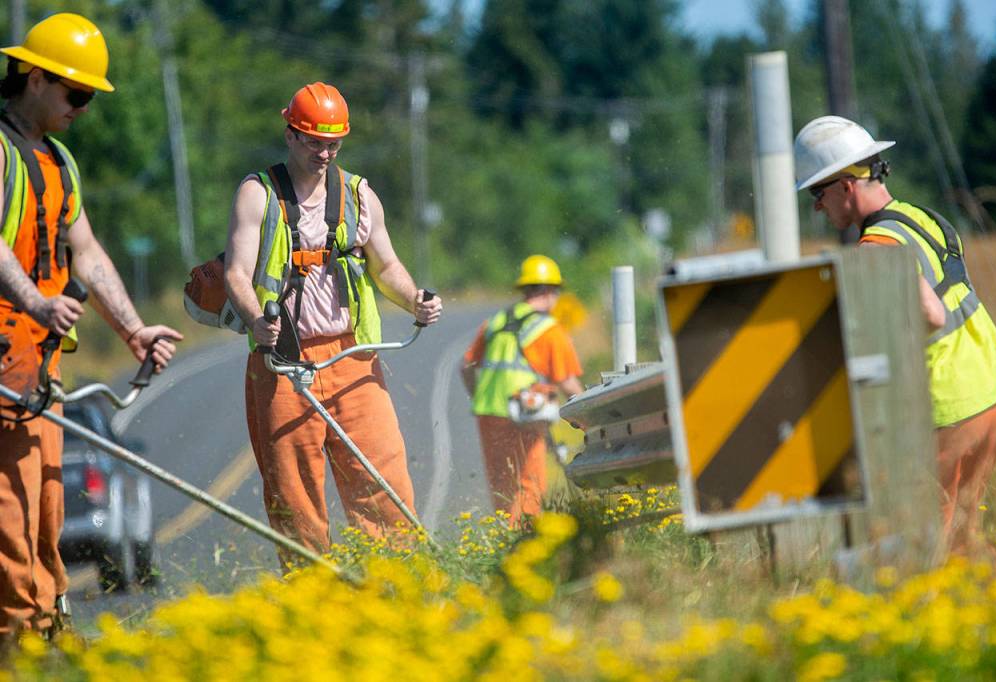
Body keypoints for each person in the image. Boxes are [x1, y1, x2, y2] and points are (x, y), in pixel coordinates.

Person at [0, 13, 181, 638]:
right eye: (76, 94)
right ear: (33, 76)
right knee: (11, 537)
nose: (83, 108)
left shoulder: (59, 162)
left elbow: (89, 253)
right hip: (2, 379)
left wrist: (134, 331)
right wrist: (36, 301)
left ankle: (46, 640)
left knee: (46, 527)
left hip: (38, 376)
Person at [224, 82, 441, 561]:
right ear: (291, 135)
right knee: (294, 497)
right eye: (314, 141)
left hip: (352, 359)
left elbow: (387, 268)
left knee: (381, 479)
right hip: (281, 365)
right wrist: (257, 320)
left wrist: (415, 301)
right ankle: (312, 593)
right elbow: (236, 273)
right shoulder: (258, 194)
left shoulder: (360, 196)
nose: (325, 152)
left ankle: (397, 585)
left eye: (333, 143)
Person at [793, 115, 996, 556]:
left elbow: (930, 313)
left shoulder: (878, 246)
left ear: (845, 186)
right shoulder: (922, 217)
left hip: (951, 408)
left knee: (924, 548)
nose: (817, 208)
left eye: (816, 194)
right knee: (960, 541)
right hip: (991, 395)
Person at [461, 255, 584, 523]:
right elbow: (567, 383)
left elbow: (466, 366)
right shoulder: (550, 330)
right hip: (527, 411)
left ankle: (506, 535)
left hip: (489, 411)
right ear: (551, 291)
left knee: (502, 482)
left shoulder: (495, 322)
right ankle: (526, 538)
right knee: (529, 480)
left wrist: (480, 396)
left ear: (525, 290)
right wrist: (587, 416)